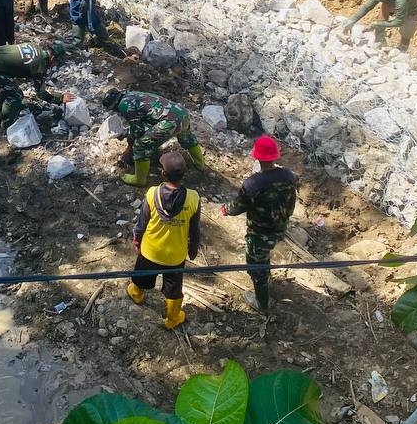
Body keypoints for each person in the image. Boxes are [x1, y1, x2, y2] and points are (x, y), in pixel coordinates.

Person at [220, 136, 298, 312]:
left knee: (256, 266)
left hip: (260, 233)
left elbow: (237, 207)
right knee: (264, 256)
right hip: (280, 227)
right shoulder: (289, 175)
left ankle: (261, 302)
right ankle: (265, 275)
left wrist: (225, 209)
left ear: (257, 157)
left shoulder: (253, 184)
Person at [128, 151, 199, 331]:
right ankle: (173, 318)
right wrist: (193, 248)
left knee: (142, 275)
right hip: (175, 255)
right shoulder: (193, 198)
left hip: (151, 250)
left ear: (163, 174)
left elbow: (142, 222)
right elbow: (195, 228)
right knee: (174, 288)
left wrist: (137, 238)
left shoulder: (152, 193)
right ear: (184, 175)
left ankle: (137, 294)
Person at [101, 89, 205, 186]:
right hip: (181, 113)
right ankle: (200, 164)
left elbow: (138, 130)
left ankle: (139, 179)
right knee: (187, 138)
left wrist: (130, 144)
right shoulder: (131, 94)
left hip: (169, 122)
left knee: (140, 145)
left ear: (114, 105)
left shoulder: (124, 105)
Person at [0, 41, 69, 123]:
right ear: (53, 58)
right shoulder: (39, 66)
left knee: (8, 87)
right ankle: (7, 124)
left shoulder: (35, 47)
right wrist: (60, 99)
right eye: (57, 63)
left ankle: (0, 107)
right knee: (16, 96)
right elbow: (41, 94)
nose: (55, 65)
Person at [342, 0, 417, 51]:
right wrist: (352, 20)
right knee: (385, 6)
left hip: (414, 10)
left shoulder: (401, 0)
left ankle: (402, 50)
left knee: (406, 32)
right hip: (400, 0)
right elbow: (367, 6)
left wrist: (376, 24)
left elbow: (399, 22)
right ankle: (380, 39)